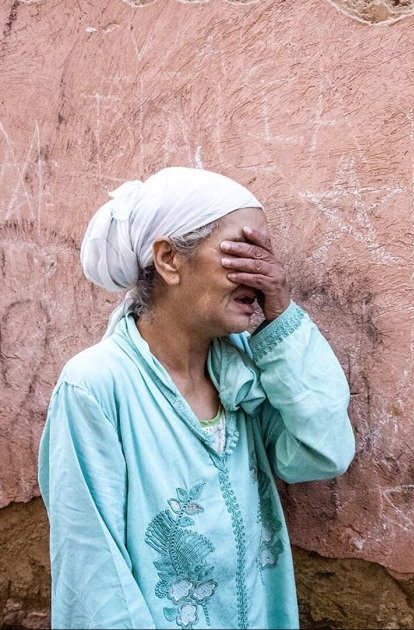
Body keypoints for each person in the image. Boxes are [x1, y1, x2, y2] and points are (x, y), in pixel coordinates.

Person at [37, 167, 355, 629]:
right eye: (243, 253)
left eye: (266, 255)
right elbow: (94, 577)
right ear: (169, 259)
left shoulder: (242, 375)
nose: (262, 275)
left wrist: (281, 317)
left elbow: (322, 451)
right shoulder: (95, 387)